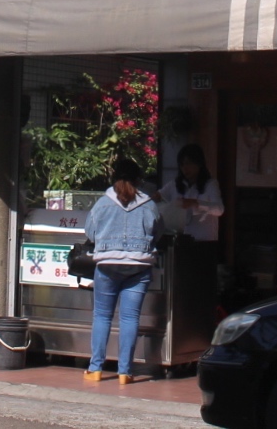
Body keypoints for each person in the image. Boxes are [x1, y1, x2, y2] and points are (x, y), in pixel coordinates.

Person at [82, 157, 163, 385]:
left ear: (113, 177)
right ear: (139, 180)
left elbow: (90, 232)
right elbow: (158, 231)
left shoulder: (102, 203)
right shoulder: (149, 205)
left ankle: (95, 369)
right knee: (130, 318)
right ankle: (125, 372)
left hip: (107, 266)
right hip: (139, 266)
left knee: (102, 316)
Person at [160, 144, 224, 249]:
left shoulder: (210, 184)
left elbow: (219, 209)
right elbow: (158, 196)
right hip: (180, 241)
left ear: (199, 163)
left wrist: (196, 203)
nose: (185, 168)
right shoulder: (175, 184)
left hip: (204, 242)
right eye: (182, 165)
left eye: (188, 163)